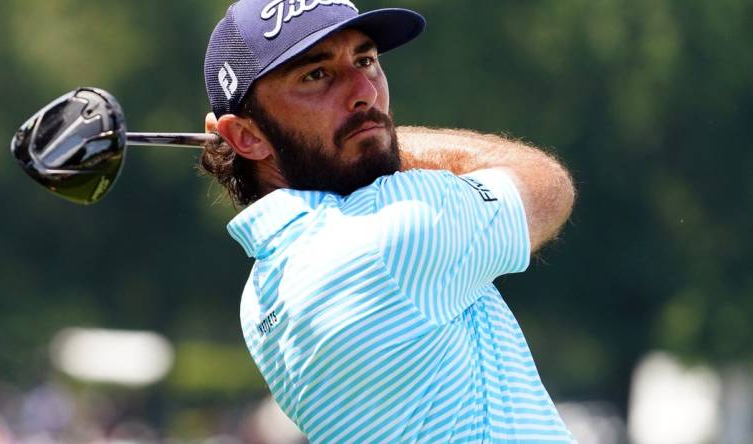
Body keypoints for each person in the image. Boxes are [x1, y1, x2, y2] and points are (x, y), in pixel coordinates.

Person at [201, 0, 576, 442]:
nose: (366, 91)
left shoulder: (261, 296)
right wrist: (383, 135)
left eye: (366, 60)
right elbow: (546, 183)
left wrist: (356, 135)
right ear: (246, 135)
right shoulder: (392, 232)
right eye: (316, 75)